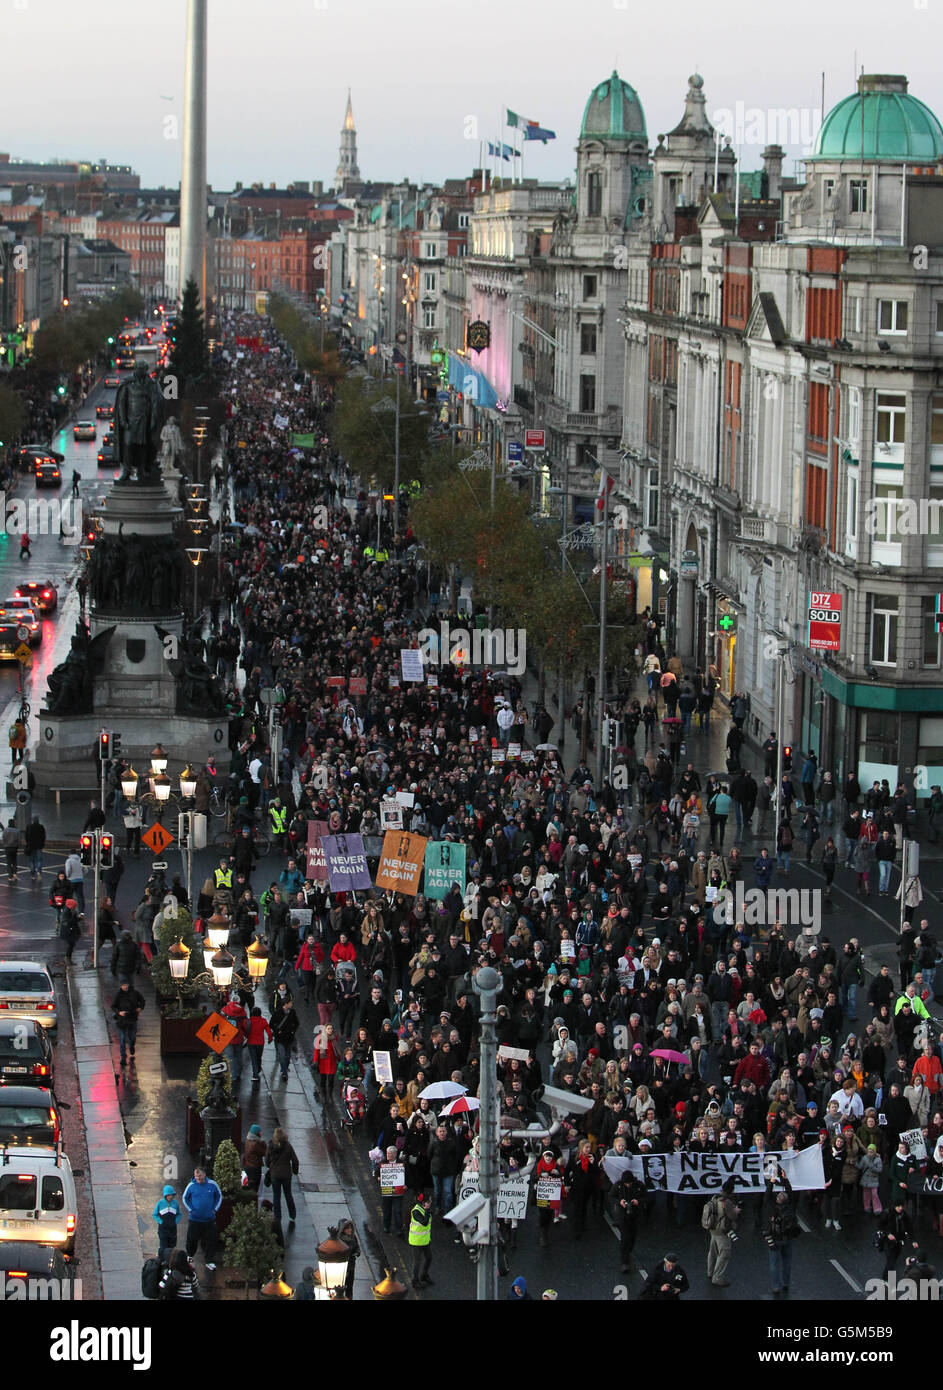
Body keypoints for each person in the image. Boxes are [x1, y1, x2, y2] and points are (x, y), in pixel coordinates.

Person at [762, 1165, 798, 1296]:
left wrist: (771, 1183)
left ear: (777, 1200)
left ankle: (776, 1286)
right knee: (787, 1261)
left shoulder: (773, 1208)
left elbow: (766, 1197)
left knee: (774, 1263)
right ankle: (786, 1283)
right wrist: (785, 1180)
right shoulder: (790, 1207)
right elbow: (791, 1193)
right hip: (788, 1238)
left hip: (775, 1238)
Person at [182, 1167, 222, 1271]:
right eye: (196, 1176)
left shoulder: (212, 1184)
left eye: (199, 1176)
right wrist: (191, 1210)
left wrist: (215, 1209)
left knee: (210, 1240)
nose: (198, 1178)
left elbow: (219, 1196)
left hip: (209, 1219)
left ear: (204, 1175)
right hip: (195, 1219)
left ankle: (209, 1261)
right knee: (192, 1239)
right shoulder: (191, 1185)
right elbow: (185, 1198)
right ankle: (190, 1257)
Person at [704, 1176, 741, 1288]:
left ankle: (710, 1272)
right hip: (722, 1231)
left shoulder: (714, 1198)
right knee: (724, 1254)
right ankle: (718, 1277)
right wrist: (736, 1211)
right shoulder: (727, 1202)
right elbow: (733, 1216)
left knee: (713, 1251)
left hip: (713, 1229)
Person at [265, 1126, 299, 1223]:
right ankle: (292, 1215)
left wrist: (270, 1166)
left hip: (275, 1175)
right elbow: (295, 1160)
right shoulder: (288, 1146)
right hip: (286, 1175)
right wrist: (295, 1171)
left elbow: (267, 1160)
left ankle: (278, 1217)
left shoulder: (270, 1146)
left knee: (276, 1195)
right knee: (288, 1194)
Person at [111, 978, 145, 1066]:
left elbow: (142, 1001)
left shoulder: (135, 993)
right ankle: (123, 1057)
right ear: (121, 986)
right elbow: (113, 1006)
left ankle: (132, 1045)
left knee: (132, 1037)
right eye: (123, 985)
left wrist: (140, 1008)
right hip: (122, 1020)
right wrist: (119, 1012)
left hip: (132, 1018)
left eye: (126, 985)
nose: (125, 987)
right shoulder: (118, 995)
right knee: (122, 1039)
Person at [408, 1191, 433, 1289]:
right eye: (429, 1201)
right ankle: (415, 1281)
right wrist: (427, 1212)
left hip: (425, 1240)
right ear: (423, 1203)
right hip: (417, 1241)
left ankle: (424, 1275)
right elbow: (424, 1222)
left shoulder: (424, 1209)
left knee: (429, 1258)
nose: (431, 1202)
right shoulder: (416, 1211)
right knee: (417, 1261)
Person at [271, 997, 299, 1081]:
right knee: (282, 1056)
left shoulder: (292, 1012)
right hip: (280, 1038)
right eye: (290, 1003)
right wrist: (277, 1030)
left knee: (287, 1056)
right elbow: (271, 1024)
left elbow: (297, 1023)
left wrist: (293, 1031)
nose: (291, 1004)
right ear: (285, 1004)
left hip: (289, 1038)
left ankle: (284, 1069)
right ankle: (284, 1072)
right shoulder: (277, 1013)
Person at [152, 1184, 181, 1259]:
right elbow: (155, 1215)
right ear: (165, 1195)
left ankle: (171, 1260)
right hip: (163, 1229)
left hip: (172, 1229)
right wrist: (161, 1222)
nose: (170, 1197)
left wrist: (175, 1222)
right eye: (168, 1195)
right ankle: (162, 1260)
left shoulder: (175, 1204)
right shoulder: (160, 1203)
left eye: (171, 1195)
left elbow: (179, 1214)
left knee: (172, 1246)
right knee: (163, 1246)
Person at [245, 1005, 273, 1083]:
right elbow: (269, 1032)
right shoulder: (263, 1021)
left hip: (251, 1042)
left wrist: (246, 1037)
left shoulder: (249, 1021)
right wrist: (270, 1039)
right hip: (260, 1043)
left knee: (253, 1058)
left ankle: (255, 1075)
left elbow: (245, 1030)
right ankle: (258, 1068)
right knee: (258, 1056)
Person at [313, 1022, 339, 1101]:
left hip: (332, 1062)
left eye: (331, 1029)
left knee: (331, 1080)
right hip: (323, 1062)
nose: (330, 1030)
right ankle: (324, 1095)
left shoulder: (334, 1038)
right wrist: (315, 1061)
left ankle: (330, 1095)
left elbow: (337, 1050)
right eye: (328, 1029)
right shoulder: (320, 1038)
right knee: (323, 1080)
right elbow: (317, 1051)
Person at [242, 1123, 267, 1193]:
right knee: (255, 1187)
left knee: (247, 1186)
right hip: (255, 1168)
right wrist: (263, 1143)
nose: (261, 1133)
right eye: (259, 1132)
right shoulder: (256, 1144)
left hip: (247, 1166)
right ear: (257, 1133)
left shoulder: (247, 1141)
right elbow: (265, 1153)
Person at [24, 815, 45, 881]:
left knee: (31, 861)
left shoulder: (29, 827)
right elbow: (43, 836)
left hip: (31, 846)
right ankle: (39, 871)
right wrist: (42, 843)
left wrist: (28, 843)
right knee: (39, 860)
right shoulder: (41, 827)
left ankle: (32, 875)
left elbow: (26, 836)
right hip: (39, 846)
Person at [2, 818, 19, 883]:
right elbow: (19, 840)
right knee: (14, 861)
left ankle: (10, 876)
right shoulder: (17, 830)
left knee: (9, 862)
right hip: (14, 848)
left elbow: (3, 838)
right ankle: (15, 874)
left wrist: (5, 844)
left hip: (7, 848)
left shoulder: (5, 830)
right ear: (13, 823)